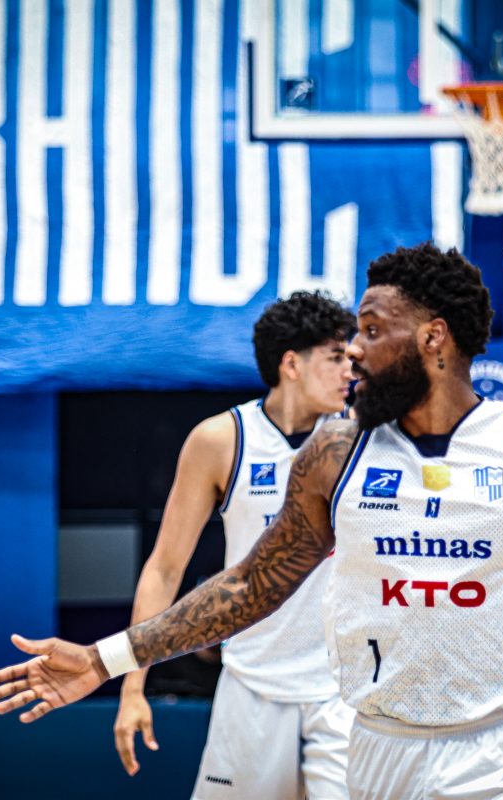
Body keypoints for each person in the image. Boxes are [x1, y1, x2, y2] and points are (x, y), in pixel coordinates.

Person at [0, 243, 503, 800]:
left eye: (370, 331)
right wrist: (104, 660)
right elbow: (250, 585)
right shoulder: (335, 455)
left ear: (433, 338)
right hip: (377, 743)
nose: (355, 353)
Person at [112, 290, 358, 799]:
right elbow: (164, 568)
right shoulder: (220, 440)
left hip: (341, 689)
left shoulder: (360, 439)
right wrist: (133, 687)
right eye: (335, 358)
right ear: (291, 364)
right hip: (251, 684)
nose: (348, 371)